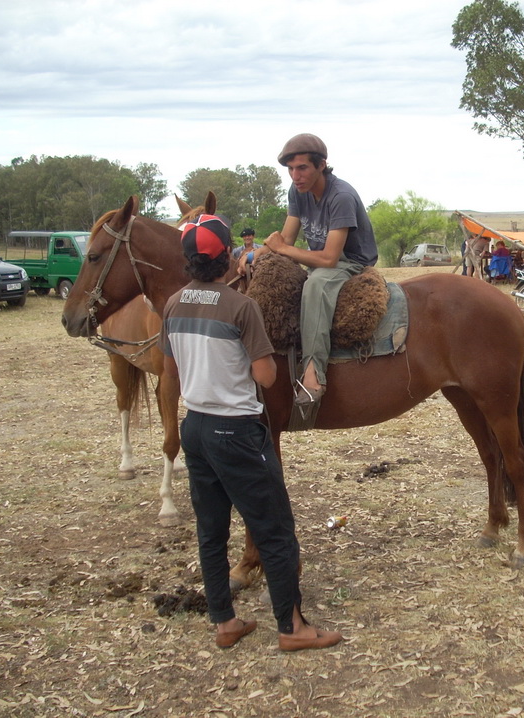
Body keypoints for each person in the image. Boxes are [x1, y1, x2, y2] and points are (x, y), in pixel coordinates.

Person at [161, 213, 343, 652]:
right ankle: (291, 627)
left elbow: (172, 369)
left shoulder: (172, 305)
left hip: (196, 428)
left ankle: (224, 621)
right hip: (236, 431)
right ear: (229, 255)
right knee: (275, 530)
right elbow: (264, 376)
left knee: (211, 531)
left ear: (189, 261)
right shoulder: (242, 307)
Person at [257, 133, 378, 405]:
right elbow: (285, 240)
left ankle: (313, 374)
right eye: (290, 169)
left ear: (321, 165)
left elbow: (329, 259)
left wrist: (283, 249)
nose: (295, 175)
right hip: (320, 257)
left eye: (302, 168)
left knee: (315, 285)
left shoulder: (341, 196)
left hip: (351, 261)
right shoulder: (297, 192)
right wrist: (256, 255)